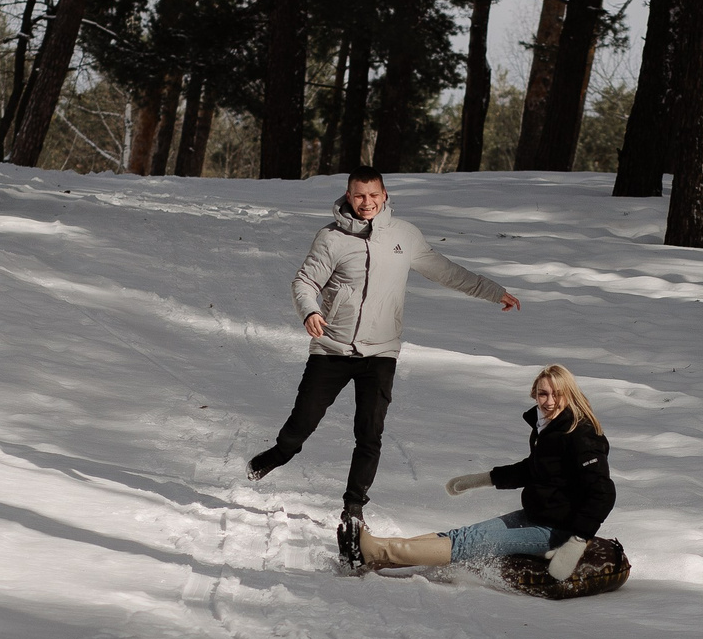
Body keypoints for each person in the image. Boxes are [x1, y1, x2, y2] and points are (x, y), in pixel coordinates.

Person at [248, 167, 521, 549]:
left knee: (369, 434)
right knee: (301, 425)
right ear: (348, 195)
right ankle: (279, 453)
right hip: (332, 348)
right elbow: (305, 281)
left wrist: (494, 292)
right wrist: (310, 311)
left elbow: (447, 272)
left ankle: (354, 507)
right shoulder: (331, 238)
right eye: (359, 196)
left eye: (373, 195)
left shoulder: (404, 236)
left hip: (381, 353)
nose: (367, 203)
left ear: (384, 194)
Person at [357, 364, 616, 582]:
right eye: (542, 394)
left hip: (558, 530)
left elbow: (602, 493)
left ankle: (379, 551)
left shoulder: (580, 434)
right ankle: (380, 552)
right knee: (462, 535)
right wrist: (483, 479)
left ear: (569, 394)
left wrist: (577, 540)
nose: (549, 401)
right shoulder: (548, 426)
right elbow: (534, 469)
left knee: (470, 543)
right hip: (537, 515)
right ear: (534, 394)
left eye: (556, 395)